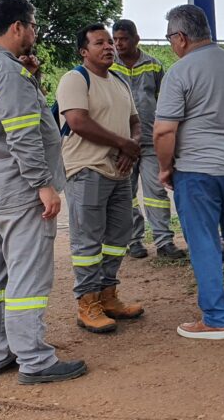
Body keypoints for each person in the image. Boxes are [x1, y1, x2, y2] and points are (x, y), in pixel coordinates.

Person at [0, 0, 86, 383]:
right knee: (27, 278)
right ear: (17, 27)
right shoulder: (6, 71)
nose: (34, 33)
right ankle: (34, 360)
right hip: (19, 192)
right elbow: (22, 134)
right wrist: (43, 185)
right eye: (32, 26)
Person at [154, 4, 224, 340]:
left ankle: (215, 319)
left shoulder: (180, 72)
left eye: (170, 37)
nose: (171, 44)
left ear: (182, 37)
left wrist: (164, 167)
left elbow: (163, 131)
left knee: (204, 242)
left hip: (197, 170)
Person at [58, 24, 145, 334]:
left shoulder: (120, 81)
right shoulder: (75, 79)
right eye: (99, 43)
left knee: (118, 237)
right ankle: (87, 303)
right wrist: (123, 144)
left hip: (120, 171)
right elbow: (78, 121)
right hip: (86, 170)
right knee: (88, 242)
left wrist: (131, 147)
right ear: (84, 51)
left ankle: (108, 295)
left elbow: (135, 122)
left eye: (110, 42)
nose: (109, 46)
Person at [111, 19, 185, 260]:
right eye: (116, 39)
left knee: (157, 192)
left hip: (151, 140)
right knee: (127, 194)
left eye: (123, 38)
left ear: (136, 39)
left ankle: (164, 241)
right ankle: (134, 241)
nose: (118, 43)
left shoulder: (153, 65)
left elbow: (163, 99)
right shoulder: (109, 66)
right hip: (122, 142)